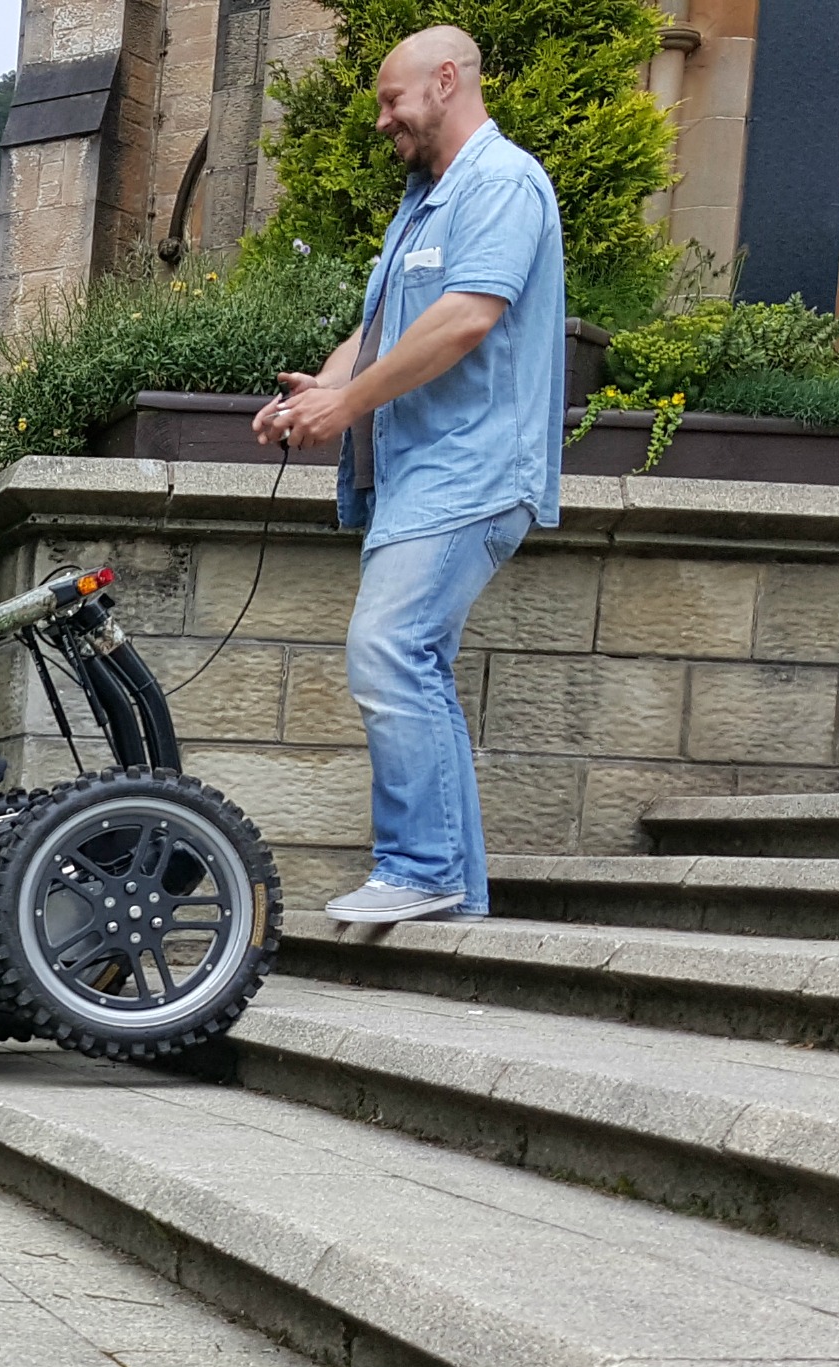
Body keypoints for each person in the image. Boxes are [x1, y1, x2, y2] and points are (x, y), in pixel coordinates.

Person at [252, 23, 564, 923]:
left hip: (472, 470)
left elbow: (467, 316)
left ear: (445, 80)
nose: (382, 121)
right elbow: (391, 322)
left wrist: (347, 408)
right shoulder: (428, 200)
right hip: (426, 473)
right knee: (416, 664)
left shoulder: (501, 182)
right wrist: (324, 389)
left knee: (390, 650)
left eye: (392, 102)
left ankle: (422, 869)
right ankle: (454, 905)